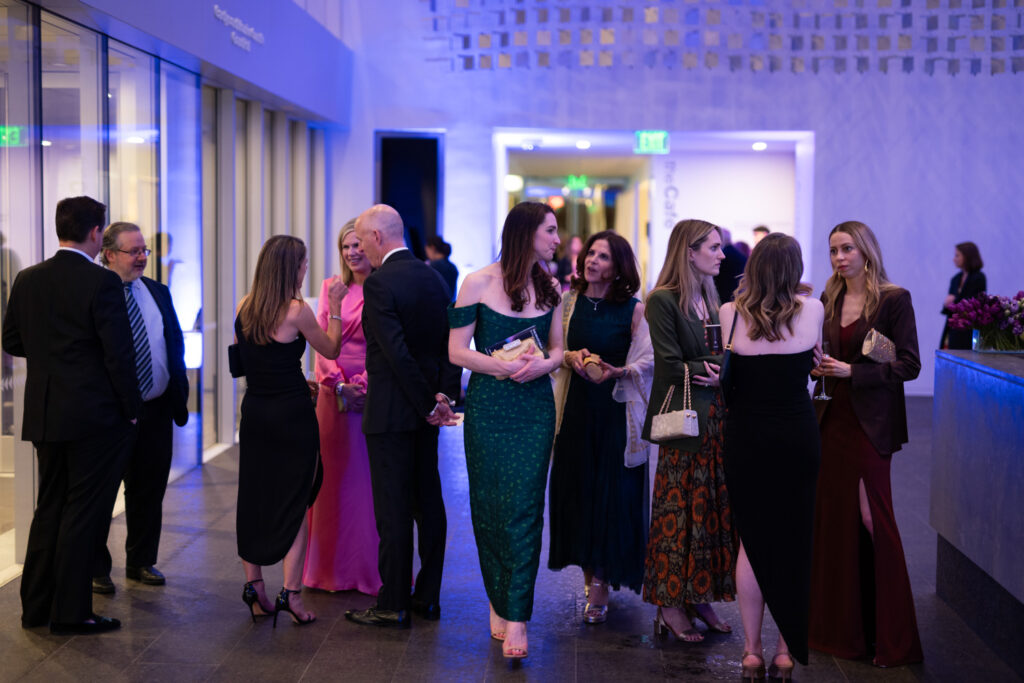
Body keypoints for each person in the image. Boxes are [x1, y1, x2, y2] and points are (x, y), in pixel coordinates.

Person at [4, 196, 140, 634]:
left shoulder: (27, 278)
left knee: (49, 509)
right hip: (94, 417)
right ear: (96, 233)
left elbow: (11, 340)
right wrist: (131, 410)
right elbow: (118, 354)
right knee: (83, 514)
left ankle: (36, 609)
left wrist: (52, 355)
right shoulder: (103, 282)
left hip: (46, 414)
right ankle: (72, 612)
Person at [448, 201, 564, 658]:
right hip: (489, 407)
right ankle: (498, 598)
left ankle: (518, 618)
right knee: (489, 506)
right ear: (526, 232)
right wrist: (501, 367)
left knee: (525, 508)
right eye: (550, 230)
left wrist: (543, 365)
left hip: (534, 408)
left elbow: (559, 350)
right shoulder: (477, 282)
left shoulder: (550, 286)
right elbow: (456, 351)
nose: (557, 240)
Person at [809, 220, 924, 667]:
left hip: (870, 423)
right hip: (830, 418)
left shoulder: (893, 299)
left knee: (872, 517)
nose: (839, 258)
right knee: (835, 522)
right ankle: (841, 632)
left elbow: (908, 364)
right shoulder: (828, 298)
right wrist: (818, 365)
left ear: (866, 250)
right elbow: (821, 354)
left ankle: (893, 636)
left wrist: (852, 371)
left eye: (847, 249)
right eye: (833, 250)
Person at [344, 205, 462, 630]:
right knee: (428, 503)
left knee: (393, 512)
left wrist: (428, 404)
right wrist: (443, 397)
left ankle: (392, 602)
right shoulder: (434, 277)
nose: (360, 249)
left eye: (362, 240)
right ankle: (427, 598)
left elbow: (395, 354)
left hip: (393, 414)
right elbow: (449, 342)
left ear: (377, 237)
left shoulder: (379, 283)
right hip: (425, 416)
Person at [719, 233, 824, 681]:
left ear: (754, 266)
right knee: (794, 538)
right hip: (797, 434)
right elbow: (814, 365)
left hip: (746, 436)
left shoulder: (729, 313)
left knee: (752, 540)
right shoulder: (813, 310)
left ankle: (751, 650)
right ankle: (784, 650)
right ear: (794, 269)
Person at [233, 235, 347, 626]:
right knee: (296, 498)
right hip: (291, 415)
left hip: (256, 412)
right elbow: (330, 349)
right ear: (291, 267)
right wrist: (335, 309)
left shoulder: (244, 306)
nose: (306, 269)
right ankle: (291, 594)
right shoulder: (296, 310)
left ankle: (254, 589)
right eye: (303, 263)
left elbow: (242, 364)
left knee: (255, 496)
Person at [549, 230, 653, 624]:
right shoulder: (568, 302)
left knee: (612, 495)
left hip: (615, 415)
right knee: (579, 492)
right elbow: (551, 350)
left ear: (619, 266)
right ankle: (590, 574)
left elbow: (648, 361)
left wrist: (619, 371)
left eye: (603, 256)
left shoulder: (634, 310)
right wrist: (570, 356)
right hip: (575, 411)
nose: (592, 260)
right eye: (590, 253)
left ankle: (600, 584)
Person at [642, 219, 738, 644]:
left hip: (716, 418)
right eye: (713, 247)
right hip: (684, 421)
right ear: (689, 251)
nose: (722, 255)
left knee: (709, 513)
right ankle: (669, 603)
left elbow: (730, 356)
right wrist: (715, 368)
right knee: (678, 513)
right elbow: (668, 363)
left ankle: (699, 595)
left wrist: (720, 371)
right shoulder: (663, 300)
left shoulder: (711, 298)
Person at [93, 222, 189, 593]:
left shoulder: (157, 291)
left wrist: (177, 391)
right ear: (109, 254)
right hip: (111, 412)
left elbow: (173, 341)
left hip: (156, 408)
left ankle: (141, 561)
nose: (142, 258)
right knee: (101, 492)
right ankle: (96, 568)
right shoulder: (96, 293)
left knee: (149, 489)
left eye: (144, 250)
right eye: (133, 251)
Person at [302, 220, 380, 595]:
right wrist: (338, 385)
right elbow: (320, 340)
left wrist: (363, 385)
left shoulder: (382, 288)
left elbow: (386, 344)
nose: (351, 252)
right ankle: (326, 570)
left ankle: (365, 570)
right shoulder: (330, 288)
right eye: (345, 246)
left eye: (357, 245)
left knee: (365, 486)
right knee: (330, 482)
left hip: (372, 392)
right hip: (333, 398)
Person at [940, 241, 986, 349]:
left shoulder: (978, 278)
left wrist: (954, 300)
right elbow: (949, 308)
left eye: (957, 255)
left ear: (967, 256)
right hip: (953, 329)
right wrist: (947, 304)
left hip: (969, 330)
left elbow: (975, 304)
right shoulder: (955, 279)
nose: (954, 259)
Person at [714, 227, 748, 304]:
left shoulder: (726, 255)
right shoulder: (740, 254)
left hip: (725, 296)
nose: (721, 256)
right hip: (738, 294)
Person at [425, 234, 458, 302]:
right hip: (449, 305)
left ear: (432, 248)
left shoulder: (433, 266)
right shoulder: (453, 267)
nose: (427, 255)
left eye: (427, 251)